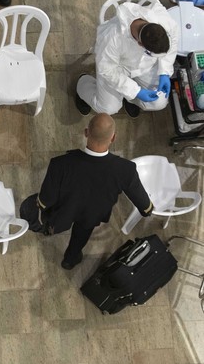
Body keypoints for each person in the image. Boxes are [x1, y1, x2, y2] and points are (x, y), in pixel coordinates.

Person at [21, 113, 153, 270]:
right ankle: (70, 260)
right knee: (81, 236)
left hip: (65, 210)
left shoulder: (60, 164)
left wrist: (40, 206)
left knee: (58, 221)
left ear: (86, 132)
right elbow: (144, 206)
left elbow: (46, 199)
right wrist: (148, 209)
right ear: (113, 138)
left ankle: (53, 230)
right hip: (92, 214)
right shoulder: (126, 170)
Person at [76, 0, 178, 118]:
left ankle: (129, 99)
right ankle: (83, 84)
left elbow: (173, 39)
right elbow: (107, 70)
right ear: (140, 44)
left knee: (159, 102)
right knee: (107, 108)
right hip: (119, 67)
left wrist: (164, 72)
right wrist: (135, 91)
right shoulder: (113, 38)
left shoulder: (161, 19)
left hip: (145, 65)